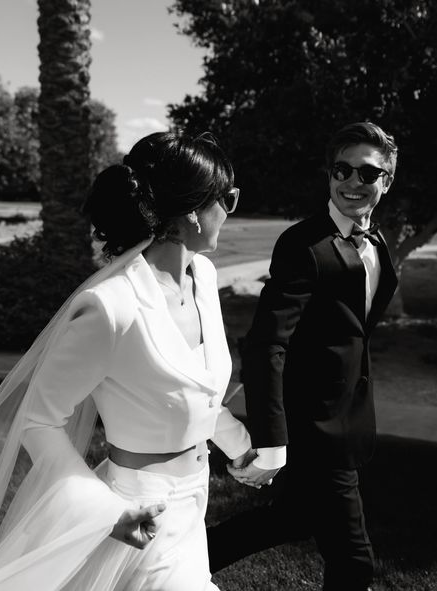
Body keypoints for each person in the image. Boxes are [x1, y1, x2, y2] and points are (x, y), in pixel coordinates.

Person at [0, 131, 252, 590]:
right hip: (144, 513)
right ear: (194, 211)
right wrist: (105, 513)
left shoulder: (204, 276)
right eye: (230, 199)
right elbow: (37, 420)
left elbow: (191, 391)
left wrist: (240, 447)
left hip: (193, 506)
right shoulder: (111, 307)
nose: (231, 210)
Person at [207, 122, 399, 591]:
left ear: (386, 181)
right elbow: (267, 343)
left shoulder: (377, 242)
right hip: (313, 429)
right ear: (329, 175)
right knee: (354, 563)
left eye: (367, 173)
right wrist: (272, 442)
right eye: (342, 169)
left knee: (287, 522)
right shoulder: (303, 245)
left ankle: (169, 561)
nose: (353, 181)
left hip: (346, 417)